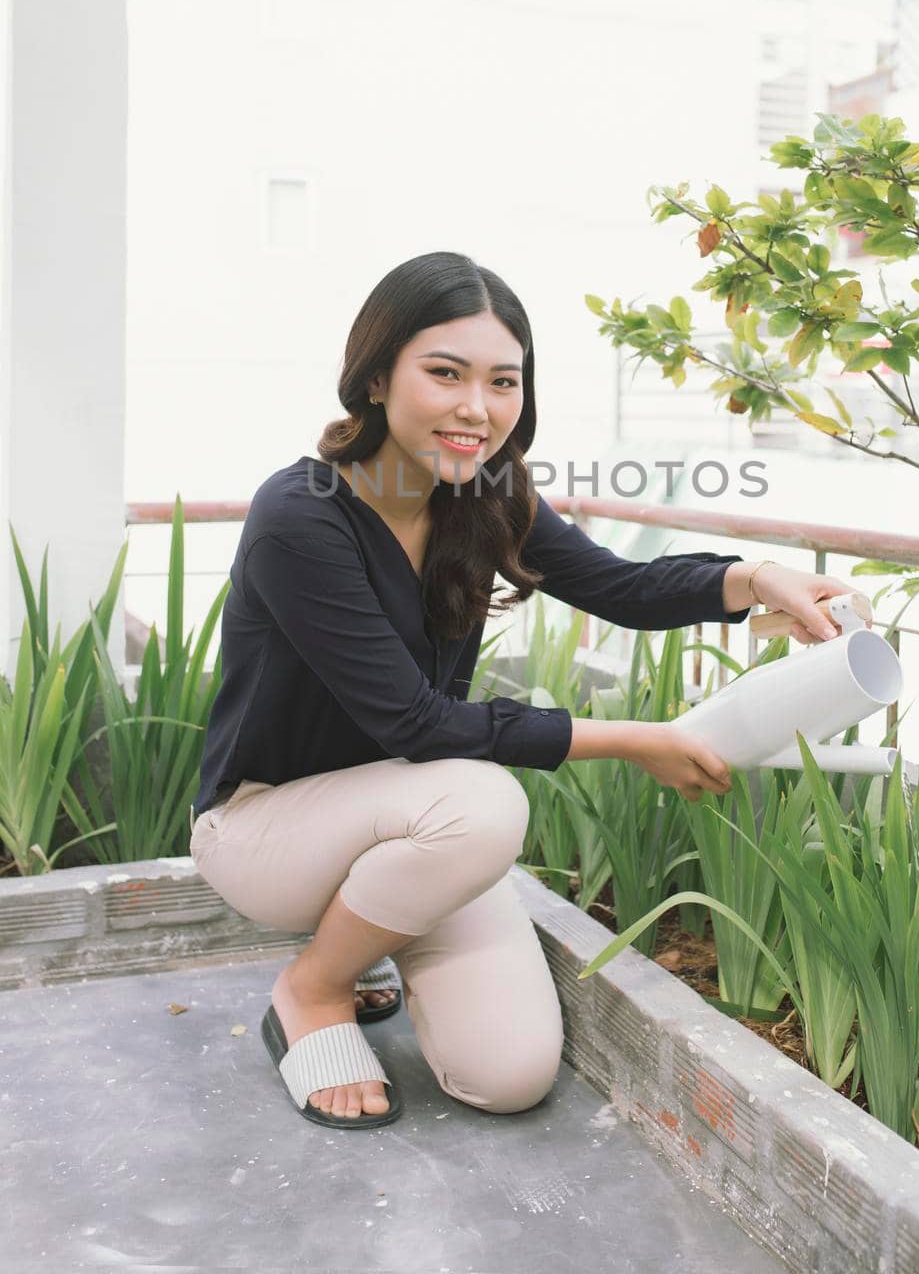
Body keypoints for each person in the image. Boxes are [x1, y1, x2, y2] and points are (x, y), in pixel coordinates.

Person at [188, 250, 853, 1130]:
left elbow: (620, 586)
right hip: (270, 829)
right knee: (483, 801)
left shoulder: (486, 494)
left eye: (504, 381)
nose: (477, 407)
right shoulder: (303, 512)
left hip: (420, 831)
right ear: (378, 376)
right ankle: (315, 988)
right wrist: (639, 740)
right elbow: (414, 723)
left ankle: (364, 939)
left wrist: (759, 578)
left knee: (508, 1075)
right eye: (446, 373)